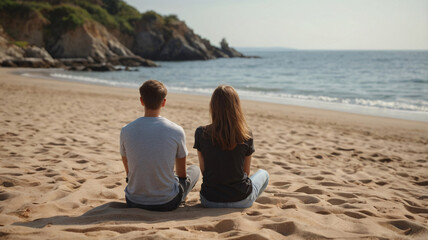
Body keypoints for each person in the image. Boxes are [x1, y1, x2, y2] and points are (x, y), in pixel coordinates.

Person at [120, 80, 200, 211]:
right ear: (163, 102)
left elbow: (129, 171)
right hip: (166, 202)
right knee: (195, 170)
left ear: (141, 101)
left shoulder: (126, 130)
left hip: (133, 200)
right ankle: (180, 197)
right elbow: (182, 174)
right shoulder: (176, 130)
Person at [194, 85, 269, 208]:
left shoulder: (201, 133)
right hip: (240, 199)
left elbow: (204, 170)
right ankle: (248, 201)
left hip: (209, 200)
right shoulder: (246, 134)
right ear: (236, 107)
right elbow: (246, 171)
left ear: (213, 107)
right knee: (264, 173)